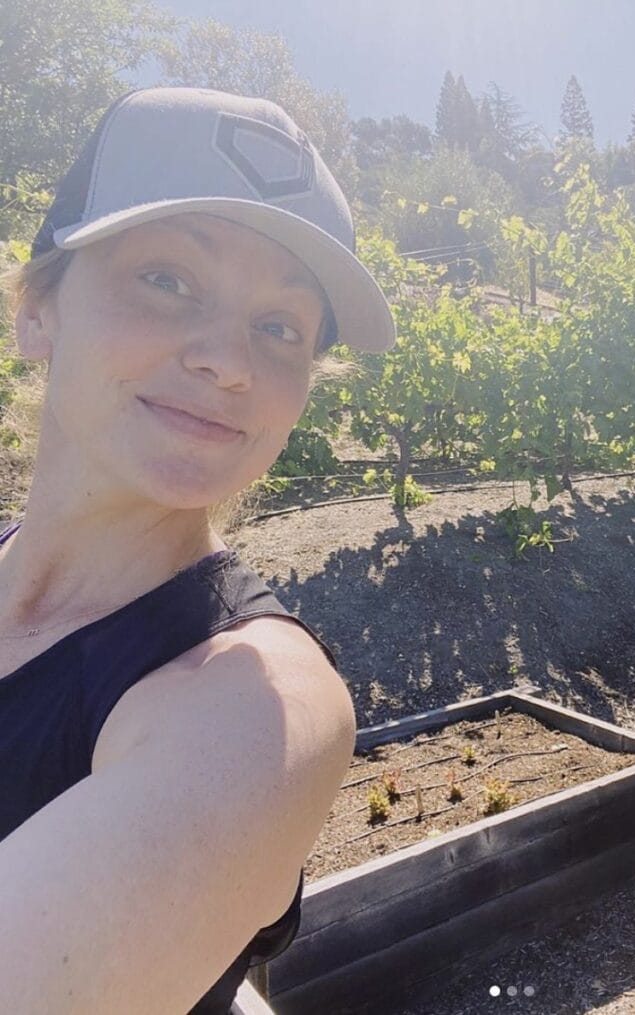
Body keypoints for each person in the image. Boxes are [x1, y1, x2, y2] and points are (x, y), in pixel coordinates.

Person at [0, 87, 396, 1012]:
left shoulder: (251, 709)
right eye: (169, 279)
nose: (230, 360)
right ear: (37, 311)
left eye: (280, 328)